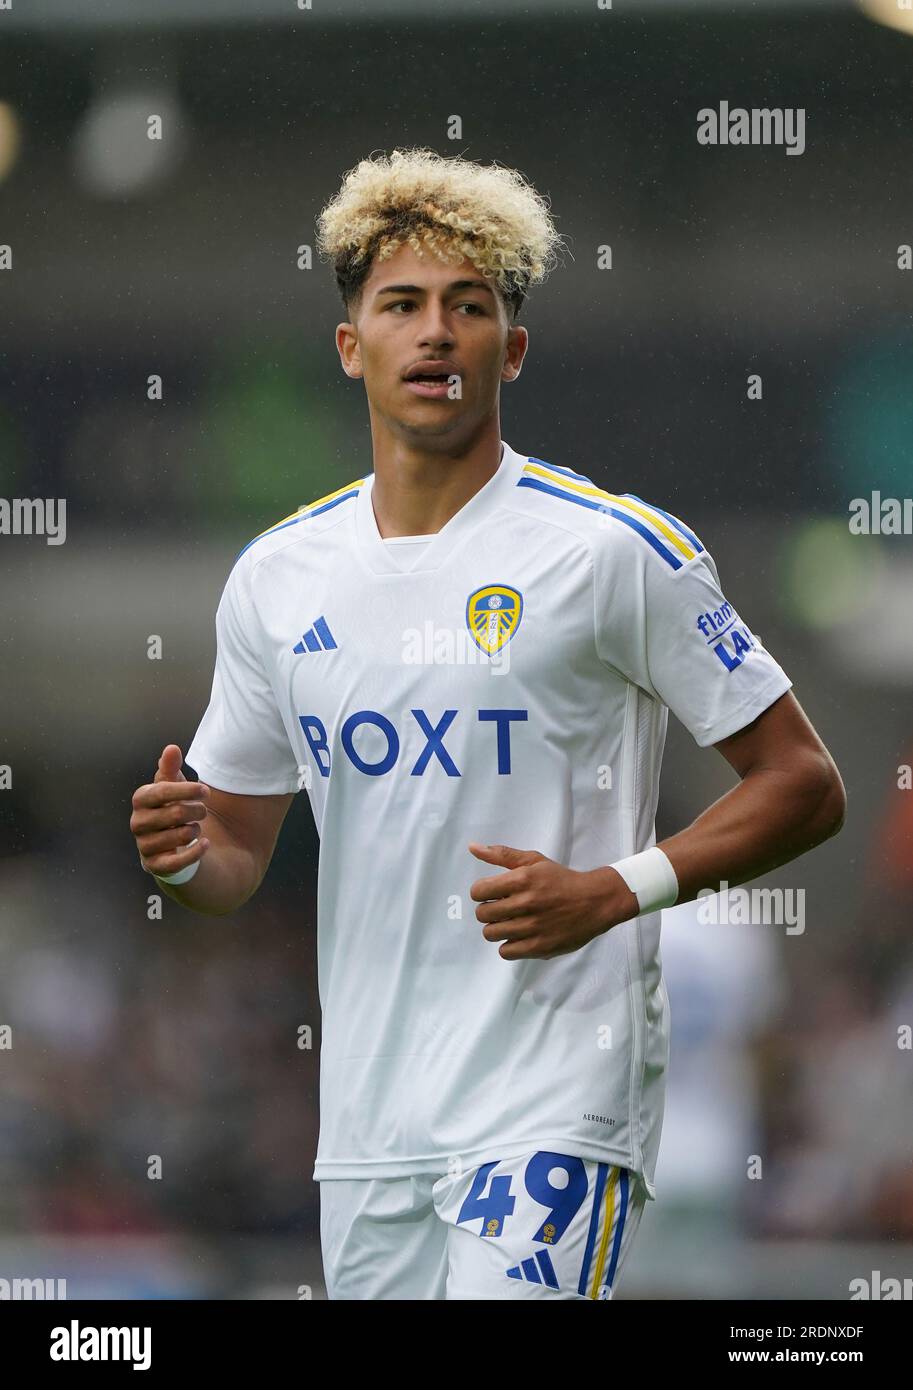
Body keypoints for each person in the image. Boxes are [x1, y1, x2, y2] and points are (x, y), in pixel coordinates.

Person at [129, 147, 846, 1300]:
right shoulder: (277, 576)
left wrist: (615, 889)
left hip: (554, 1097)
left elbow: (804, 782)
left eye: (469, 308)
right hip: (371, 1124)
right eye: (402, 305)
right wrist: (180, 858)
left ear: (507, 350)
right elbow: (234, 859)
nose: (435, 334)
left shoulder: (611, 551)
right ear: (350, 345)